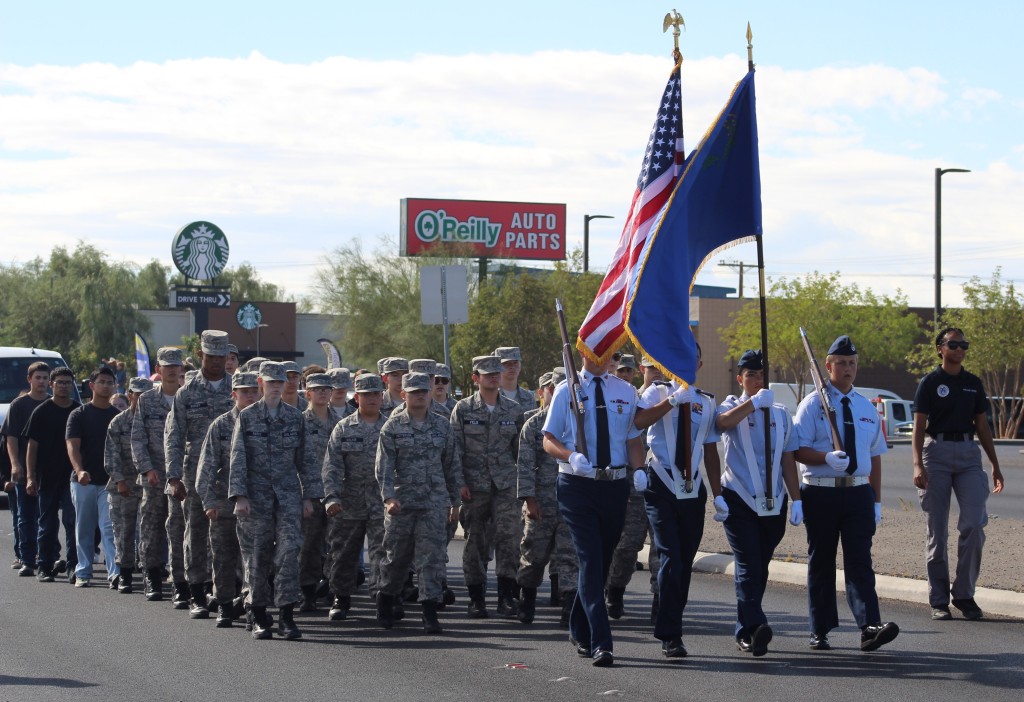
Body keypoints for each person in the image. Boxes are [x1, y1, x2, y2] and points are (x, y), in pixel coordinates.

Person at [794, 335, 899, 652]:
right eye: (841, 363)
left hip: (858, 495)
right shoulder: (813, 404)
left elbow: (875, 456)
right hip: (821, 492)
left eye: (852, 363)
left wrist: (877, 500)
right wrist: (824, 458)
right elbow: (797, 449)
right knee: (822, 561)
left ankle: (869, 627)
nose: (848, 368)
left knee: (859, 562)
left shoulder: (866, 407)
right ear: (827, 366)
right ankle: (820, 629)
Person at [542, 353, 645, 667]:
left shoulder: (625, 391)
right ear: (584, 352)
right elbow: (548, 439)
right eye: (597, 350)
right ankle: (602, 641)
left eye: (609, 352)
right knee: (589, 558)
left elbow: (633, 438)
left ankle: (579, 627)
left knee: (600, 561)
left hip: (614, 484)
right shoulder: (566, 389)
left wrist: (639, 468)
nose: (604, 358)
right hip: (577, 485)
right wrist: (570, 455)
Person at [633, 344, 724, 658]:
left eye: (692, 357)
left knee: (684, 562)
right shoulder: (656, 392)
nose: (686, 361)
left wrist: (719, 495)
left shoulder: (707, 402)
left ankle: (669, 613)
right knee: (670, 556)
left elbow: (710, 451)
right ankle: (671, 634)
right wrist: (672, 401)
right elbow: (639, 421)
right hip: (661, 482)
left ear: (699, 362)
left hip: (692, 488)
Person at [912, 327, 1004, 621]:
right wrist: (917, 463)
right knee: (937, 533)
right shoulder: (929, 383)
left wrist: (995, 464)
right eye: (954, 344)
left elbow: (982, 426)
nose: (960, 349)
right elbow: (918, 427)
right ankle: (938, 600)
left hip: (968, 455)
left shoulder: (973, 384)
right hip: (935, 453)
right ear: (940, 348)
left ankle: (964, 594)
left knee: (974, 526)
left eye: (964, 344)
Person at [715, 349, 802, 657]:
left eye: (761, 375)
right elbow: (722, 424)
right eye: (750, 375)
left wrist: (797, 499)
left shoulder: (780, 413)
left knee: (759, 567)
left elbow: (789, 458)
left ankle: (747, 628)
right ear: (740, 378)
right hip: (739, 499)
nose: (756, 380)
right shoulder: (732, 405)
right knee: (749, 564)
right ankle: (755, 626)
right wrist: (752, 404)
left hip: (773, 503)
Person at [230, 361, 323, 640]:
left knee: (289, 553)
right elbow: (238, 458)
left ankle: (286, 615)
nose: (275, 387)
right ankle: (258, 614)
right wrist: (240, 496)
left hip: (287, 497)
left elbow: (306, 460)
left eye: (279, 383)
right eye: (270, 383)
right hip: (255, 499)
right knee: (257, 556)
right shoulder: (247, 418)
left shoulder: (295, 418)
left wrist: (309, 497)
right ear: (260, 384)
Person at [374, 372, 462, 633]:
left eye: (424, 391)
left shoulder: (442, 425)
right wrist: (388, 497)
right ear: (404, 395)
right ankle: (386, 599)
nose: (420, 395)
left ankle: (429, 612)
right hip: (401, 503)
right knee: (396, 558)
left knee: (432, 558)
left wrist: (454, 503)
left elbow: (451, 466)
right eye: (414, 392)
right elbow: (384, 467)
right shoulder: (392, 426)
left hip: (434, 502)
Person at [451, 355, 527, 618]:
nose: (494, 377)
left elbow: (521, 452)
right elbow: (454, 450)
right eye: (488, 373)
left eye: (497, 372)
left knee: (510, 540)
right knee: (475, 543)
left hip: (506, 485)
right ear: (476, 378)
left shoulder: (514, 410)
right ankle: (476, 597)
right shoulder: (463, 409)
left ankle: (506, 597)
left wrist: (524, 487)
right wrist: (459, 482)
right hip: (475, 486)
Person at [165, 330, 234, 619]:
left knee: (228, 536)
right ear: (201, 355)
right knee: (195, 532)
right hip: (195, 472)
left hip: (232, 473)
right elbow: (174, 435)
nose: (216, 362)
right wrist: (173, 476)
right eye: (211, 356)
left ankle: (224, 592)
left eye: (221, 357)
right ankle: (195, 592)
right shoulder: (187, 393)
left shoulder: (237, 388)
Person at [196, 371, 260, 627]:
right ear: (234, 395)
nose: (250, 396)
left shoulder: (266, 422)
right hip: (224, 504)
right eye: (244, 392)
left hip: (257, 504)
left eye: (253, 391)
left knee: (255, 559)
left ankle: (250, 605)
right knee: (223, 557)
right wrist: (208, 501)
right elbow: (206, 467)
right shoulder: (221, 425)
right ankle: (224, 604)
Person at [515, 368, 579, 626]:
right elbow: (525, 464)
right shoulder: (534, 425)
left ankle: (569, 608)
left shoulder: (579, 424)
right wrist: (529, 500)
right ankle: (527, 599)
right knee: (533, 556)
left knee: (569, 556)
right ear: (547, 392)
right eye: (554, 389)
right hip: (541, 503)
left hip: (571, 501)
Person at [322, 373, 388, 621]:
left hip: (382, 502)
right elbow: (331, 466)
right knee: (344, 552)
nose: (371, 399)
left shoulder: (391, 426)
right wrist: (331, 497)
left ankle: (383, 598)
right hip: (349, 502)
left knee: (383, 552)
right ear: (356, 397)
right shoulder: (344, 428)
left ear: (382, 397)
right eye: (366, 395)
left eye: (376, 394)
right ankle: (341, 597)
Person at [131, 346, 182, 602]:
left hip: (182, 476)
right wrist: (147, 468)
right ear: (157, 369)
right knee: (151, 526)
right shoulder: (148, 399)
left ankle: (179, 580)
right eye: (167, 365)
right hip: (154, 474)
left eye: (176, 365)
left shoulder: (188, 397)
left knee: (178, 528)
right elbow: (138, 438)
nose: (172, 369)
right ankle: (151, 575)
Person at [66, 366, 121, 588]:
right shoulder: (79, 414)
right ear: (92, 385)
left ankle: (115, 573)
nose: (106, 386)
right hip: (84, 482)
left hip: (109, 482)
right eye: (102, 382)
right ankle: (83, 571)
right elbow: (72, 445)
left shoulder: (117, 417)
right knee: (84, 528)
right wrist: (79, 470)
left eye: (110, 382)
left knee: (109, 527)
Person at [24, 366, 81, 583]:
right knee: (47, 524)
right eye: (60, 383)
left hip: (72, 479)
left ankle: (74, 566)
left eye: (68, 383)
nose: (64, 386)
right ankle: (44, 565)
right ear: (52, 385)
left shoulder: (78, 411)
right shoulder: (41, 412)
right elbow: (32, 447)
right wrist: (30, 476)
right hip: (46, 478)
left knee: (72, 522)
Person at [104, 376, 152, 593]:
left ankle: (149, 575)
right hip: (123, 487)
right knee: (124, 532)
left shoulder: (157, 420)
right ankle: (124, 575)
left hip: (149, 486)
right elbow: (111, 456)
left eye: (146, 395)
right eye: (137, 394)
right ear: (130, 395)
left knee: (148, 533)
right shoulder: (119, 422)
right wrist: (120, 481)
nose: (141, 398)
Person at [2, 360, 50, 577]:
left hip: (50, 470)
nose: (41, 381)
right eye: (37, 377)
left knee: (47, 516)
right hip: (23, 470)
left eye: (45, 377)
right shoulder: (18, 405)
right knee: (25, 516)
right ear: (29, 379)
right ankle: (27, 558)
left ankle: (46, 555)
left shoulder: (54, 403)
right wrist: (15, 464)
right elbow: (10, 437)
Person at [298, 373, 340, 612]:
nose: (323, 393)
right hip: (311, 493)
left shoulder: (340, 422)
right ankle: (308, 591)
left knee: (336, 544)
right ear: (308, 393)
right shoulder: (300, 421)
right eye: (318, 389)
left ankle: (333, 589)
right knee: (309, 545)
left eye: (327, 389)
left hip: (335, 492)